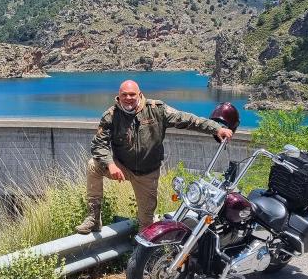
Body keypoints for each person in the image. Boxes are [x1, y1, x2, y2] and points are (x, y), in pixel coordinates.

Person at [74, 80, 234, 234]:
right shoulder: (111, 116)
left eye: (132, 94)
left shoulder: (157, 109)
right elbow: (98, 144)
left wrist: (216, 129)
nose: (128, 98)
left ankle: (140, 254)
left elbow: (188, 120)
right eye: (124, 95)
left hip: (147, 173)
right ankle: (94, 217)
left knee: (146, 224)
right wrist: (110, 164)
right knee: (93, 165)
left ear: (139, 94)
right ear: (119, 95)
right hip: (122, 166)